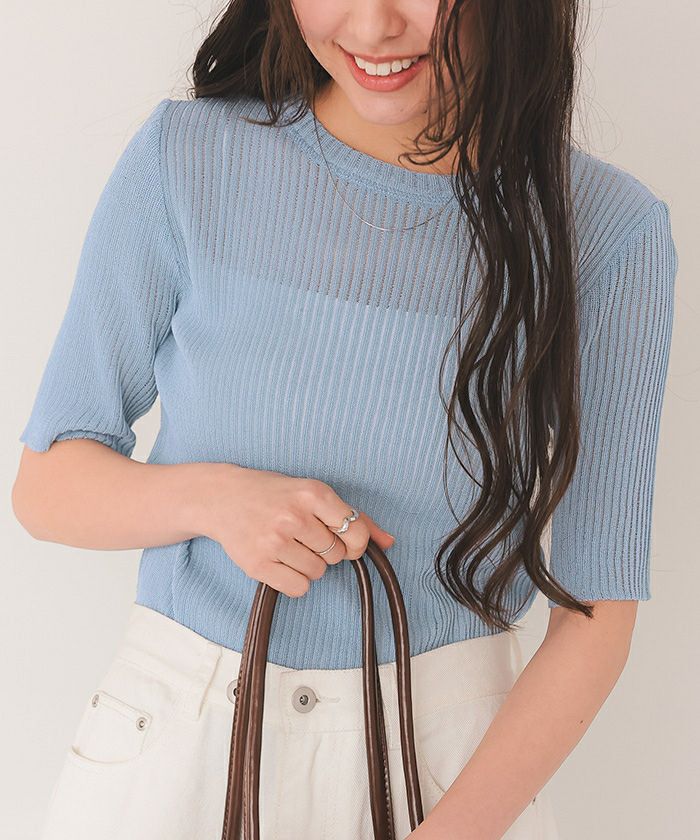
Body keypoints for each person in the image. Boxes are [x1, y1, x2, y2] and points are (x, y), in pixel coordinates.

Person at [12, 1, 678, 839]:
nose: (371, 28)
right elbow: (48, 484)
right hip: (173, 751)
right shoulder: (188, 157)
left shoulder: (604, 233)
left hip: (444, 775)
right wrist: (218, 500)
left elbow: (597, 613)